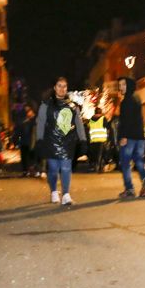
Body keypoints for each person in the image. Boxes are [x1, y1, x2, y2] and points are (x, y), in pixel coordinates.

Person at [36, 77, 87, 205]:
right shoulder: (46, 105)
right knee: (53, 169)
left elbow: (79, 124)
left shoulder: (72, 106)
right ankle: (53, 191)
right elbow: (40, 123)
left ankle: (66, 194)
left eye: (64, 86)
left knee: (66, 168)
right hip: (51, 141)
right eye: (59, 85)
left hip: (67, 142)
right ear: (54, 87)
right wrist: (39, 140)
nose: (62, 89)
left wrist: (83, 140)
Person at [116, 76, 145, 198]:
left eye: (123, 85)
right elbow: (138, 119)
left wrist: (123, 136)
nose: (121, 87)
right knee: (138, 160)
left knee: (125, 163)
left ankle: (129, 189)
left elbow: (126, 121)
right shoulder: (137, 98)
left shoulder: (126, 101)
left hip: (129, 137)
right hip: (139, 136)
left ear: (128, 85)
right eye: (119, 85)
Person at [87, 105, 108, 173]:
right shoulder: (103, 118)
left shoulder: (91, 120)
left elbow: (88, 128)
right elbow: (107, 127)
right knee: (100, 154)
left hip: (93, 139)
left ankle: (95, 165)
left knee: (95, 154)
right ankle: (99, 167)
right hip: (101, 139)